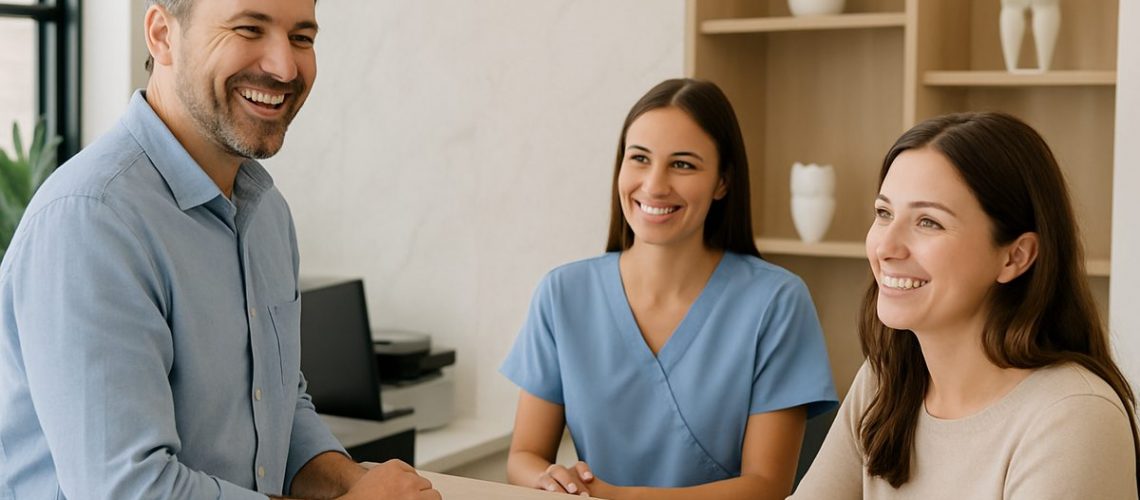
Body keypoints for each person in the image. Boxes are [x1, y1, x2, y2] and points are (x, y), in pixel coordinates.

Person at [0, 1, 439, 499]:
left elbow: (276, 406)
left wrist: (351, 481)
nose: (284, 66)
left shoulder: (267, 212)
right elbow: (129, 490)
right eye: (249, 28)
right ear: (162, 34)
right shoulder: (91, 220)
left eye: (302, 37)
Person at [500, 78, 838, 500]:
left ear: (722, 182)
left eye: (683, 164)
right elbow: (525, 455)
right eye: (639, 158)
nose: (655, 185)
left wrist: (621, 498)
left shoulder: (777, 302)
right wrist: (548, 479)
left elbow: (767, 487)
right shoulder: (563, 294)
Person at [790, 112, 1140, 499]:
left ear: (1015, 257)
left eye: (928, 222)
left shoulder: (1074, 417)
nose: (886, 248)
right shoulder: (886, 379)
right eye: (884, 213)